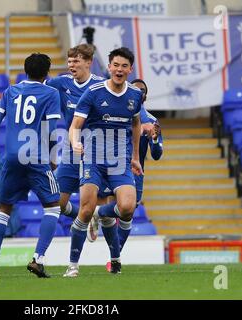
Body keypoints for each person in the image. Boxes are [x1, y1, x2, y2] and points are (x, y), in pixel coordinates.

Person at [63, 47, 154, 277]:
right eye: (115, 65)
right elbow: (75, 126)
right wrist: (75, 143)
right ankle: (73, 265)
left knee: (127, 208)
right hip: (92, 159)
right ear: (109, 67)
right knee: (84, 210)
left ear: (130, 69)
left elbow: (135, 125)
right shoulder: (93, 93)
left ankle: (101, 216)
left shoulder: (134, 95)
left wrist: (135, 157)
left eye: (124, 66)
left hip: (120, 161)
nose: (119, 70)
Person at [0, 53, 61, 279]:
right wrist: (53, 156)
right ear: (46, 73)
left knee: (3, 209)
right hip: (36, 157)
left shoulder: (10, 91)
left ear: (25, 71)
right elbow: (52, 130)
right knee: (53, 207)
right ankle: (38, 259)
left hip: (11, 157)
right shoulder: (51, 93)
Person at [86, 79, 164, 272]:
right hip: (111, 166)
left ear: (145, 95)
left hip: (135, 171)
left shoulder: (152, 121)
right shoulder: (117, 111)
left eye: (142, 90)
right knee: (116, 207)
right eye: (135, 89)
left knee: (127, 212)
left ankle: (98, 214)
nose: (139, 92)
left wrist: (154, 140)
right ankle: (115, 259)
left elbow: (156, 155)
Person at [45, 44, 104, 220]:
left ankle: (92, 218)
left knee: (98, 204)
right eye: (69, 61)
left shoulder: (101, 85)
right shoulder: (62, 83)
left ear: (88, 63)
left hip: (97, 150)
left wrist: (147, 121)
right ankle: (83, 217)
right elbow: (38, 87)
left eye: (76, 61)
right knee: (58, 203)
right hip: (72, 148)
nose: (71, 65)